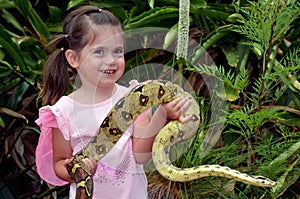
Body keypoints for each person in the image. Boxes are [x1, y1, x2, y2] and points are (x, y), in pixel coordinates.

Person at [35, 5, 192, 199]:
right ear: (73, 58)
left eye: (117, 51)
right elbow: (59, 163)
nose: (111, 60)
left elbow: (140, 155)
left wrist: (162, 113)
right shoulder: (64, 111)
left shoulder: (134, 97)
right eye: (100, 52)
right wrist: (78, 170)